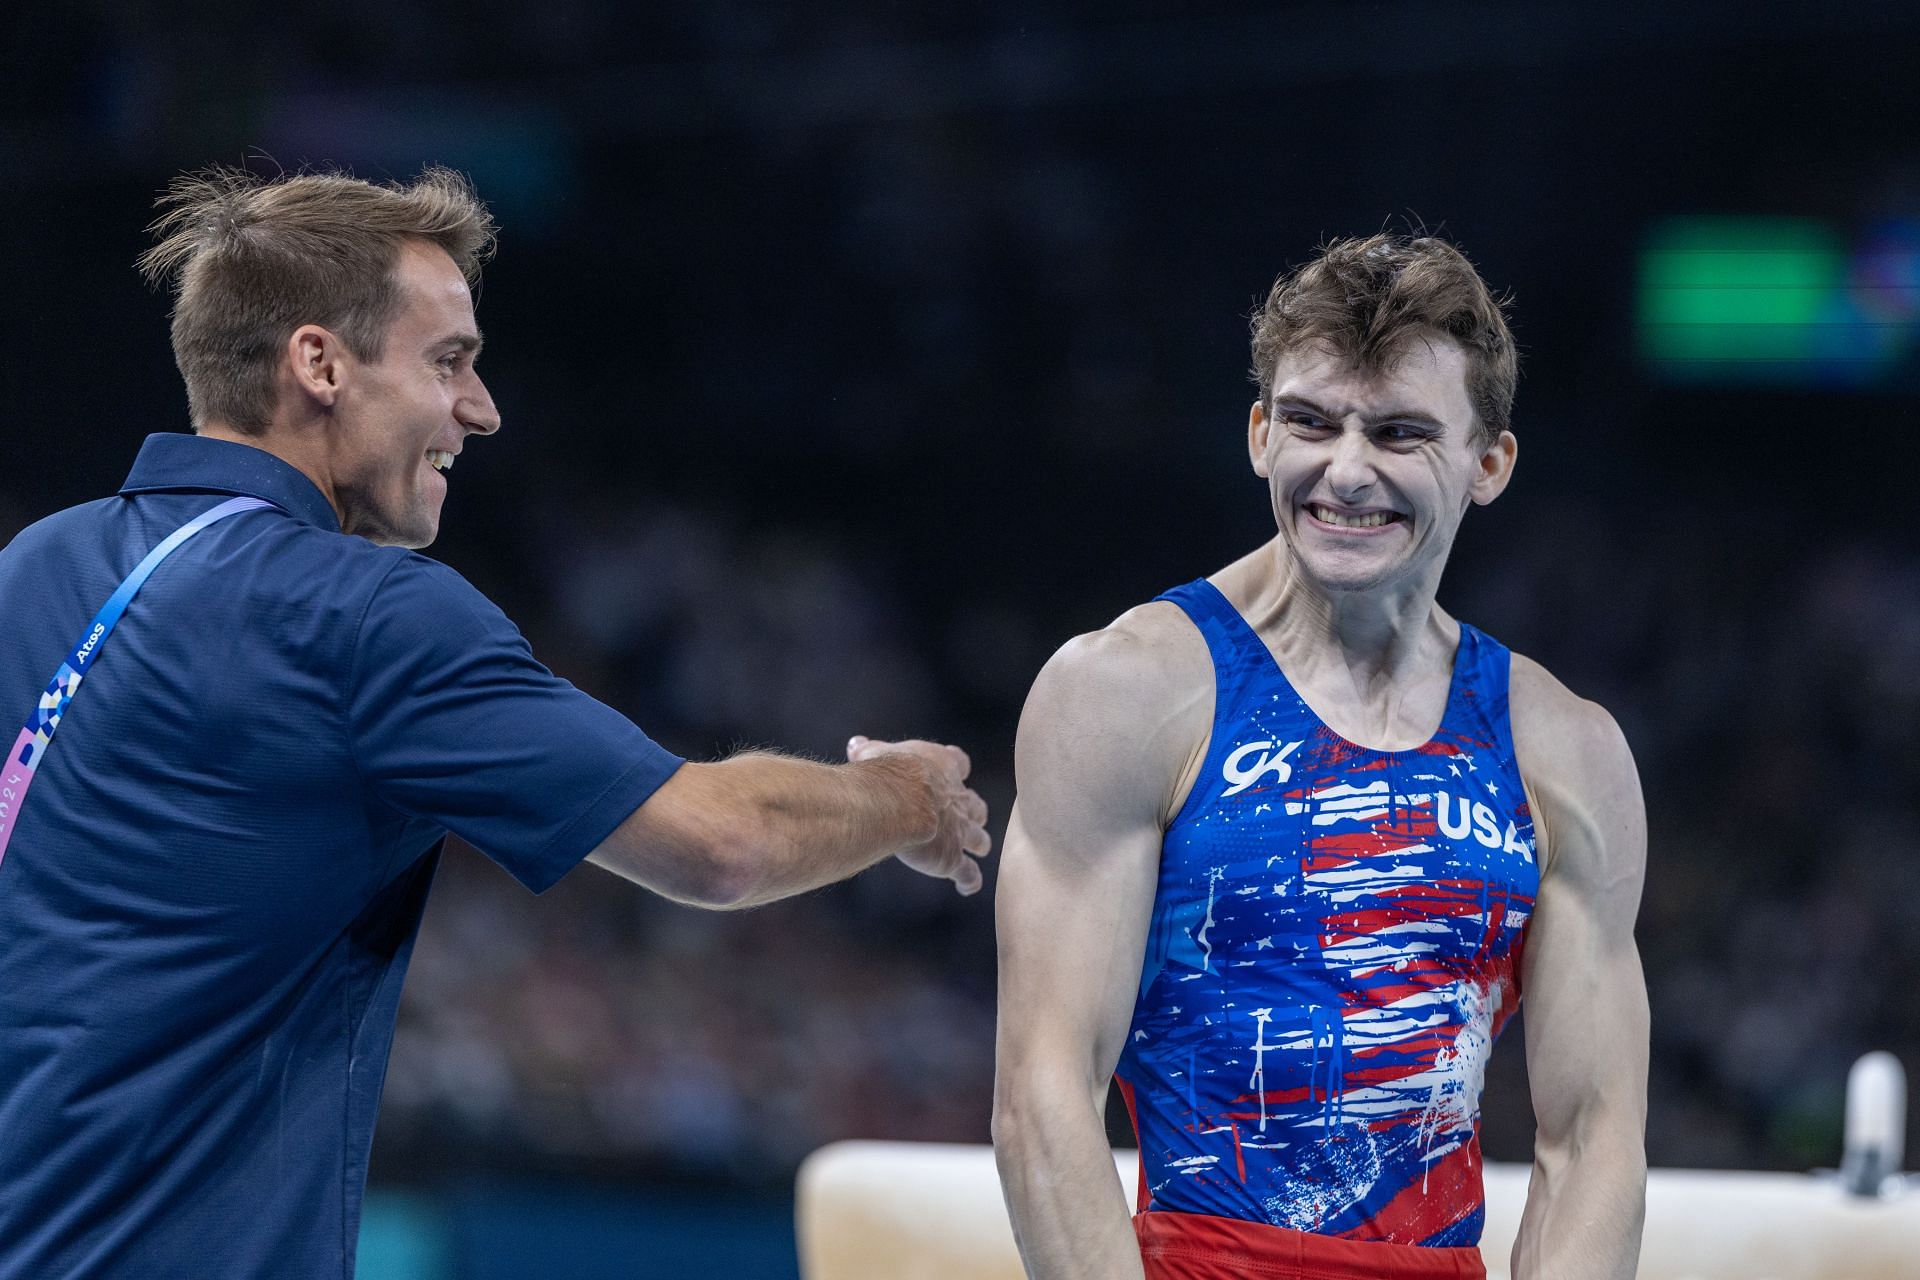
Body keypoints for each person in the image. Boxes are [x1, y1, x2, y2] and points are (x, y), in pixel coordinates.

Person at [0, 166, 991, 1279]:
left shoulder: (30, 568)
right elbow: (721, 843)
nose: (483, 408)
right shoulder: (359, 609)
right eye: (449, 361)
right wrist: (904, 798)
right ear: (319, 364)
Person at [992, 235, 1647, 1280]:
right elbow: (1041, 1090)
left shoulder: (1566, 749)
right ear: (1259, 433)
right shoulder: (1130, 692)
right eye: (1309, 421)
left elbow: (1594, 1137)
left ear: (1490, 463)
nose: (1345, 471)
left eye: (1398, 433)